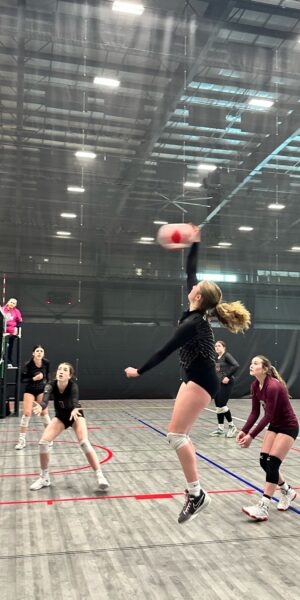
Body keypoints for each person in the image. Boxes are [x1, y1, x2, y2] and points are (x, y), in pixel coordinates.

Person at [125, 226, 251, 524]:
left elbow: (165, 350)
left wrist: (138, 371)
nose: (191, 285)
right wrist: (195, 242)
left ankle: (196, 495)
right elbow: (191, 272)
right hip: (193, 378)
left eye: (196, 286)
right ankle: (195, 492)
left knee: (175, 435)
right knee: (179, 434)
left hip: (201, 380)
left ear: (198, 296)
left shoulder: (194, 322)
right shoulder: (198, 310)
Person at [30, 362, 109, 492]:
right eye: (59, 369)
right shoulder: (50, 385)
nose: (61, 371)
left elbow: (75, 402)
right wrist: (41, 406)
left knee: (84, 442)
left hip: (75, 416)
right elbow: (44, 401)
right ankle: (44, 478)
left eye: (65, 370)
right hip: (61, 417)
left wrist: (74, 409)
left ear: (69, 375)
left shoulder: (73, 386)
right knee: (43, 443)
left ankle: (100, 476)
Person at [237, 355, 299, 521]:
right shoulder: (255, 385)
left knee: (272, 463)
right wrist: (244, 430)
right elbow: (255, 413)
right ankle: (287, 491)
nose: (251, 365)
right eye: (251, 362)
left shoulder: (273, 386)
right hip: (275, 425)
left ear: (264, 369)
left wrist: (251, 436)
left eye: (255, 363)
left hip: (288, 426)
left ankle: (263, 506)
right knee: (264, 461)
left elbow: (268, 416)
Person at [15, 345, 51, 450]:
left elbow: (48, 377)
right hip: (30, 390)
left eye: (41, 351)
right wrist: (34, 378)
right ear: (33, 353)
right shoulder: (28, 365)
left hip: (41, 390)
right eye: (37, 351)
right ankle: (22, 441)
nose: (39, 353)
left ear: (43, 353)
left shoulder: (46, 363)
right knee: (27, 413)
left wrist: (47, 387)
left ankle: (49, 438)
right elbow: (22, 380)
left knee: (44, 413)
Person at [210, 340, 239, 438]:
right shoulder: (217, 358)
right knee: (218, 406)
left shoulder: (227, 355)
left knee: (222, 405)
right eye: (215, 346)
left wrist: (227, 376)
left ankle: (232, 426)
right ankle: (220, 428)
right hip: (219, 384)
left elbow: (236, 365)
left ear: (224, 347)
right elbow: (217, 371)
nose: (217, 347)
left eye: (219, 346)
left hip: (227, 383)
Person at [1, 298, 22, 367]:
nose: (12, 304)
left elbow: (19, 322)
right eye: (11, 302)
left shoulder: (16, 311)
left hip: (11, 333)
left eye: (14, 303)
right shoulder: (2, 309)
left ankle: (9, 361)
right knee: (3, 347)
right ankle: (2, 359)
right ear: (8, 302)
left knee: (10, 347)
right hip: (3, 331)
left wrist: (17, 330)